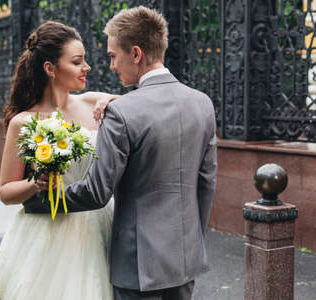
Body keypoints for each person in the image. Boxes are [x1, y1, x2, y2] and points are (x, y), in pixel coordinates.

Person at [25, 6, 217, 300]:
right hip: (185, 258)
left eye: (114, 56)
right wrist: (191, 241)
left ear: (136, 54)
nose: (112, 66)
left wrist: (40, 202)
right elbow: (206, 185)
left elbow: (96, 192)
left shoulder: (122, 112)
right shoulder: (202, 103)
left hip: (137, 265)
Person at [0, 21, 118, 299]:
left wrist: (115, 102)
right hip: (46, 232)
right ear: (50, 68)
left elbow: (145, 104)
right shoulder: (23, 123)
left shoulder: (93, 103)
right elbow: (5, 192)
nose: (87, 68)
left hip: (98, 224)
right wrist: (36, 183)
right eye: (77, 61)